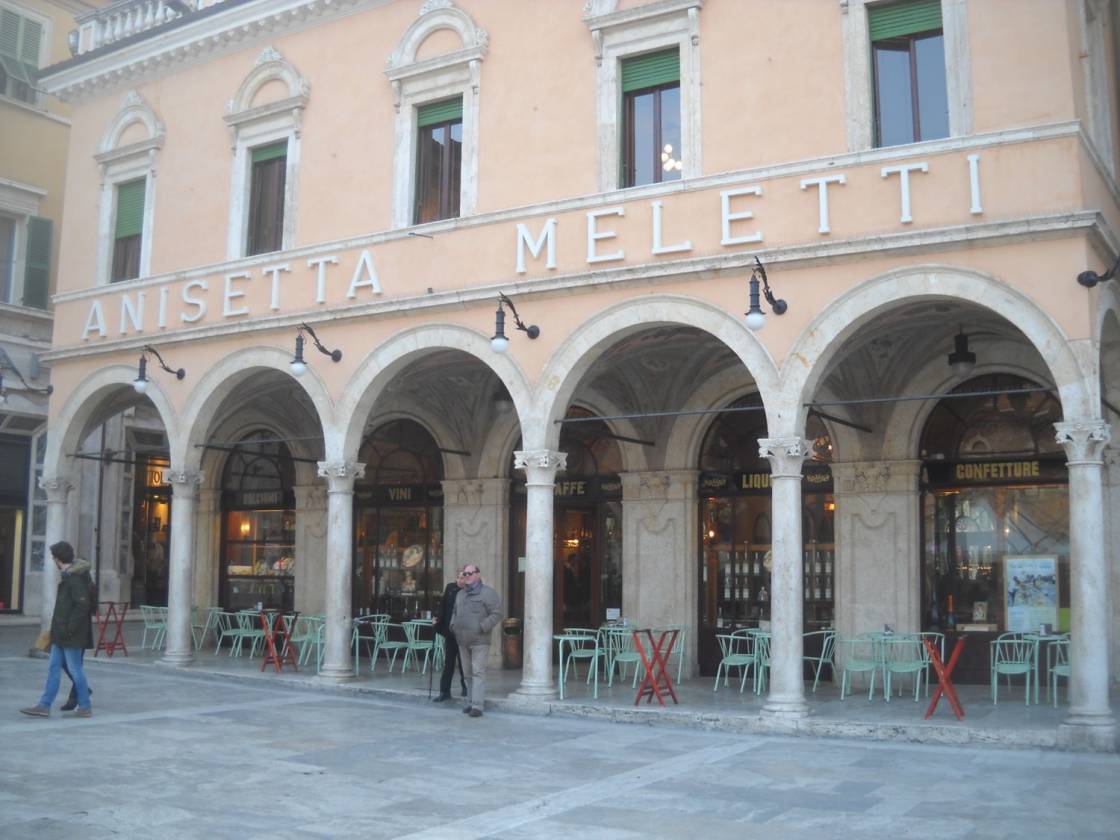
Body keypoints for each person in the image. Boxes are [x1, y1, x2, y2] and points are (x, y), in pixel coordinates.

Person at [20, 541, 93, 718]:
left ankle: (84, 706)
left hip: (70, 635)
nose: (53, 560)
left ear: (58, 559)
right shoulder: (69, 575)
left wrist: (69, 628)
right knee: (53, 667)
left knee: (75, 669)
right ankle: (44, 705)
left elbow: (83, 606)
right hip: (60, 634)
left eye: (53, 557)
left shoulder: (75, 578)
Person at [450, 564, 502, 718]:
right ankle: (471, 702)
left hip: (480, 640)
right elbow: (454, 611)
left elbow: (497, 614)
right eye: (464, 574)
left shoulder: (488, 593)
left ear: (478, 574)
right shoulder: (460, 594)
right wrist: (453, 624)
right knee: (467, 673)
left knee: (478, 672)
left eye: (469, 573)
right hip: (462, 639)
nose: (466, 576)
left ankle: (478, 706)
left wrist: (482, 627)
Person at [59, 556, 95, 711]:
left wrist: (69, 626)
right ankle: (83, 689)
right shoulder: (76, 579)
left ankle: (76, 697)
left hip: (79, 630)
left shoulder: (80, 582)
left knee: (74, 665)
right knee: (68, 663)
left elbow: (84, 607)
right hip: (74, 628)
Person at [432, 567, 468, 703]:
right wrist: (437, 619)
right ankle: (444, 691)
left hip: (464, 633)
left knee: (464, 663)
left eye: (463, 578)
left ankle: (466, 688)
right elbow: (443, 606)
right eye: (459, 577)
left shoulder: (469, 592)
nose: (460, 580)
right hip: (450, 632)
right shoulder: (450, 588)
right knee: (449, 663)